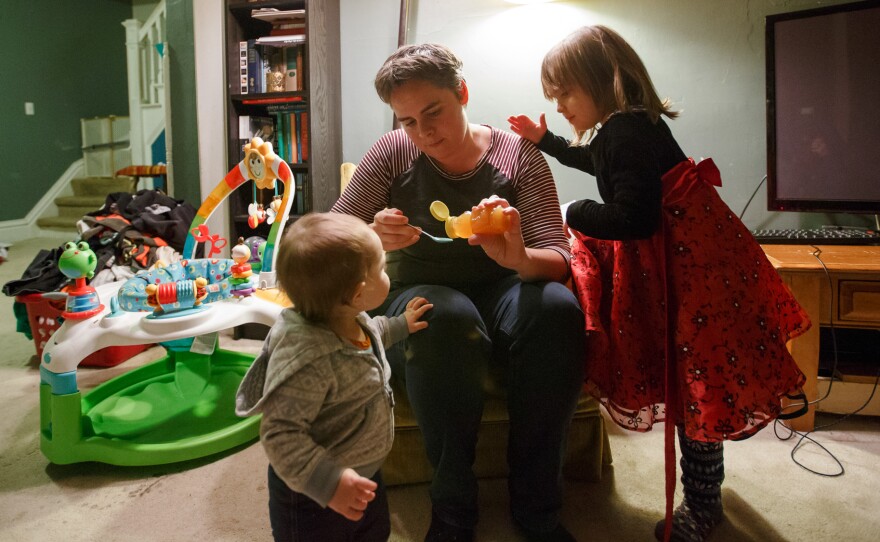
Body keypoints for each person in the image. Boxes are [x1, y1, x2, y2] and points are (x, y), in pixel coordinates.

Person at [509, 25, 810, 542]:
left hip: (689, 275)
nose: (558, 106)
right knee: (696, 385)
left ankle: (701, 505)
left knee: (693, 385)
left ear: (602, 83)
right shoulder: (627, 127)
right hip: (697, 260)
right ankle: (707, 492)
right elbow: (597, 159)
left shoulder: (623, 133)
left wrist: (572, 211)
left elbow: (634, 218)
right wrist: (548, 143)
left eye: (565, 94)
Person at [331, 43, 586, 542]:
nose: (424, 133)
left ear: (462, 93)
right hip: (421, 290)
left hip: (508, 286)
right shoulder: (390, 154)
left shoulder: (518, 156)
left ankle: (537, 505)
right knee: (443, 317)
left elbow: (558, 256)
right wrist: (371, 234)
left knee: (557, 310)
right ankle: (453, 508)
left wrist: (516, 257)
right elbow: (332, 233)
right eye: (407, 121)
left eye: (434, 112)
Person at [235, 212, 433, 542]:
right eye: (382, 268)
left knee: (374, 533)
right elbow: (280, 434)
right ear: (357, 293)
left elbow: (373, 333)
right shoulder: (311, 360)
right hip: (314, 496)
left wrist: (401, 324)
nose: (387, 273)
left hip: (364, 473)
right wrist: (328, 483)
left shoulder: (348, 317)